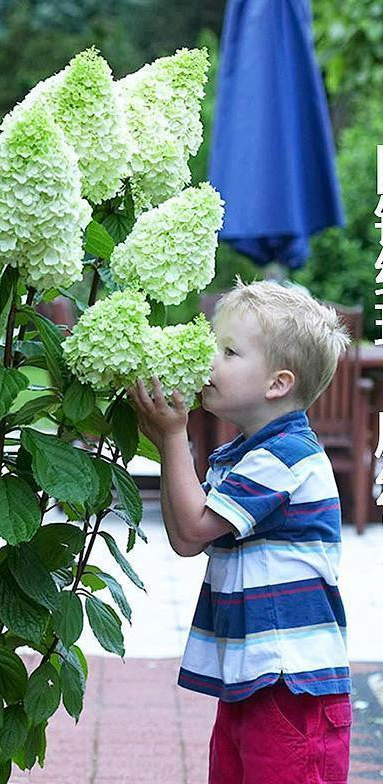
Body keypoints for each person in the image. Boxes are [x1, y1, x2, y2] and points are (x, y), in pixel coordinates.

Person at [127, 277, 355, 784]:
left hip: (291, 688)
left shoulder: (286, 456)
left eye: (228, 352)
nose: (209, 359)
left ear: (277, 384)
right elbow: (187, 541)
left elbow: (193, 528)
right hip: (252, 680)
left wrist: (172, 436)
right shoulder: (243, 456)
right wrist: (168, 441)